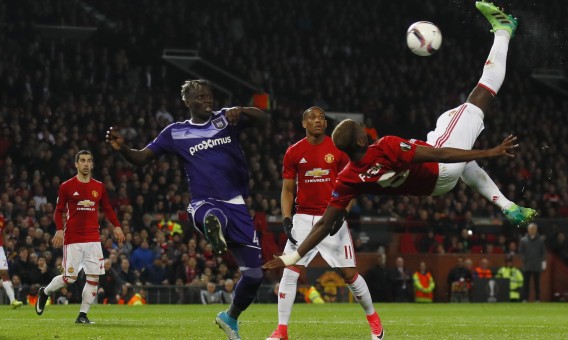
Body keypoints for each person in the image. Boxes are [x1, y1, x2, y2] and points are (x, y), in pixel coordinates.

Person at [264, 2, 535, 271]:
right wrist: (488, 152)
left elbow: (324, 224)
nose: (365, 130)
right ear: (360, 141)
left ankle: (507, 205)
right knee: (481, 94)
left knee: (445, 122)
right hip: (440, 167)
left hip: (433, 188)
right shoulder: (386, 147)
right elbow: (441, 154)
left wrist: (292, 256)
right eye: (361, 130)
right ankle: (504, 30)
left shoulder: (348, 177)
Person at [106, 79, 267, 339]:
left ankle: (229, 317)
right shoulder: (175, 132)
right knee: (212, 216)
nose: (207, 101)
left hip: (237, 203)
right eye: (201, 97)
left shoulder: (225, 119)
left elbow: (263, 119)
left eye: (209, 96)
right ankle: (215, 228)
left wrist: (243, 110)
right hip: (203, 201)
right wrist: (123, 148)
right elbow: (142, 158)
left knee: (254, 276)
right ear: (187, 102)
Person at [268, 106, 383, 340]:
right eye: (312, 117)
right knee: (289, 273)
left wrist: (343, 213)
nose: (318, 121)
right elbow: (288, 190)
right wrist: (287, 218)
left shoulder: (338, 149)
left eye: (321, 118)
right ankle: (281, 330)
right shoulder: (293, 152)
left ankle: (374, 321)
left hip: (331, 216)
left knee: (349, 274)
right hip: (302, 219)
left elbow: (352, 183)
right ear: (304, 123)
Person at [35, 150, 126, 324]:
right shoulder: (66, 186)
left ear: (92, 165)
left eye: (89, 161)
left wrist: (117, 226)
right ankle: (44, 292)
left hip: (93, 238)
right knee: (70, 278)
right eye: (82, 161)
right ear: (76, 164)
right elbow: (58, 210)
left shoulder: (99, 186)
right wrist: (59, 229)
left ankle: (82, 315)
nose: (85, 164)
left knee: (94, 278)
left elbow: (107, 208)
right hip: (73, 238)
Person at [518, 223, 546, 302]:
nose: (532, 230)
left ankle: (537, 299)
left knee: (537, 284)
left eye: (534, 229)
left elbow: (543, 252)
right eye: (531, 229)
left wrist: (543, 261)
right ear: (528, 230)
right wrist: (525, 259)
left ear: (536, 230)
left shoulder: (540, 240)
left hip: (537, 265)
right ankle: (525, 299)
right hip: (527, 265)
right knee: (526, 284)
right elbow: (521, 251)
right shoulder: (523, 240)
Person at [1, 213, 23, 308]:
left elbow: (2, 232)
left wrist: (6, 246)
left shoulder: (1, 218)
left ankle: (13, 300)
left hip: (0, 248)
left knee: (4, 273)